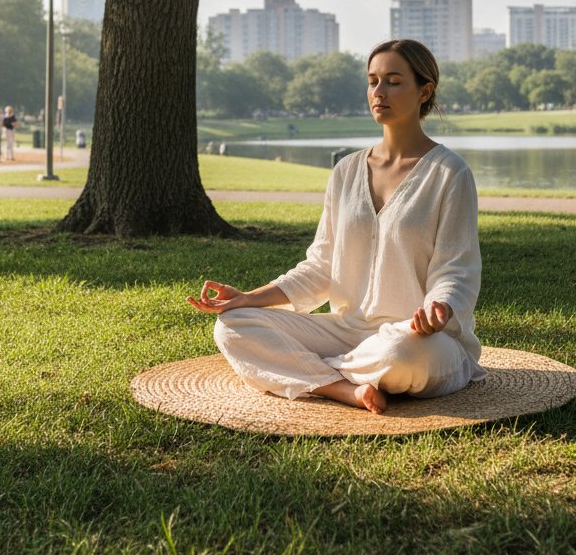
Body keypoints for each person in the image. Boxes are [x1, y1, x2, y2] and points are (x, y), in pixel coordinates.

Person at [189, 38, 485, 415]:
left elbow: (455, 269)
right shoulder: (346, 171)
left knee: (401, 352)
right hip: (346, 332)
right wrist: (249, 298)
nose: (379, 92)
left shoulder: (450, 173)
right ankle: (343, 389)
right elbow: (321, 265)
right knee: (233, 324)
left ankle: (300, 369)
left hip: (418, 339)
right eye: (373, 81)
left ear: (424, 91)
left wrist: (439, 308)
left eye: (393, 81)